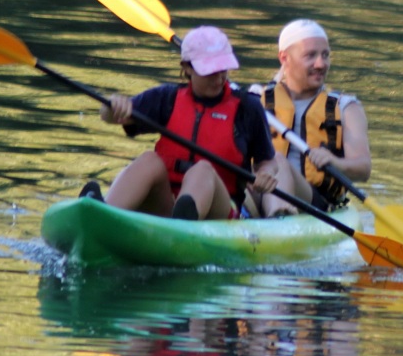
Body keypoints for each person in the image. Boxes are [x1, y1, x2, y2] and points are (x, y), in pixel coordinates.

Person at [82, 26, 292, 220]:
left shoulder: (248, 108)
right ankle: (103, 214)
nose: (219, 78)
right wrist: (111, 107)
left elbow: (268, 161)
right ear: (187, 68)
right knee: (149, 160)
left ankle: (184, 224)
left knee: (202, 169)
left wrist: (264, 175)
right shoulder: (167, 98)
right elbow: (111, 116)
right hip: (168, 202)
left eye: (223, 69)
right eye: (209, 71)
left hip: (220, 206)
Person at [252, 19, 372, 211]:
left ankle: (279, 218)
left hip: (314, 199)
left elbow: (364, 168)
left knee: (279, 162)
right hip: (258, 190)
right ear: (284, 58)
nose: (320, 64)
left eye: (325, 55)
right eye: (310, 56)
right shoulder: (256, 100)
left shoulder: (347, 108)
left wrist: (335, 162)